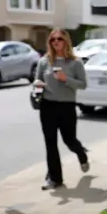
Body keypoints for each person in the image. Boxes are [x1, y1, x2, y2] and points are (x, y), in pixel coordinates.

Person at [33, 29, 90, 190]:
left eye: (59, 39)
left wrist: (67, 79)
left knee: (69, 140)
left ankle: (81, 154)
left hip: (66, 106)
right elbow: (37, 77)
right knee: (50, 142)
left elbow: (83, 84)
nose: (56, 42)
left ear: (66, 41)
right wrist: (37, 84)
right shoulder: (44, 61)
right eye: (52, 40)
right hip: (47, 105)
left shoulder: (75, 62)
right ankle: (55, 178)